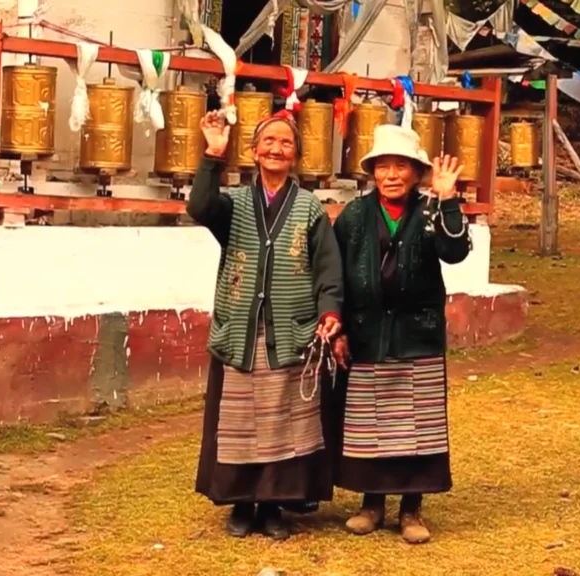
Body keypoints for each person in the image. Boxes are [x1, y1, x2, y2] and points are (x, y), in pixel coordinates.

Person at [188, 109, 344, 541]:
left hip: (288, 333)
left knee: (282, 423)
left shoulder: (309, 207)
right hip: (241, 331)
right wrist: (212, 156)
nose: (277, 149)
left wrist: (330, 312)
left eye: (286, 143)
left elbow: (328, 269)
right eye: (269, 142)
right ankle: (240, 505)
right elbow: (199, 206)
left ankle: (274, 506)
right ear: (254, 152)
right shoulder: (234, 204)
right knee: (238, 420)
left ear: (296, 155)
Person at [331, 123, 471, 544]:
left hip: (417, 334)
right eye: (383, 167)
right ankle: (372, 505)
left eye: (400, 167)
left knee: (417, 425)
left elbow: (455, 251)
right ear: (372, 172)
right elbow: (335, 274)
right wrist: (337, 327)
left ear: (416, 172)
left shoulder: (431, 210)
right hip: (367, 333)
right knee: (370, 424)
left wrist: (448, 199)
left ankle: (411, 510)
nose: (391, 175)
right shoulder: (355, 215)